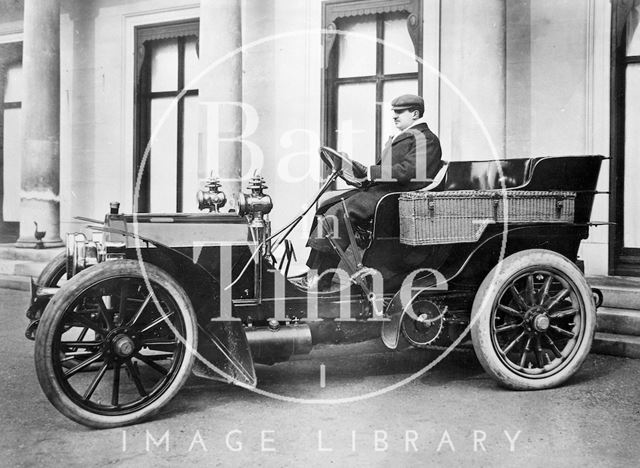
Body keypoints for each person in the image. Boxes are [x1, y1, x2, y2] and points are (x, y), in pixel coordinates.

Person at [303, 94, 443, 289]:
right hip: (383, 192)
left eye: (400, 112)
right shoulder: (408, 136)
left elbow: (409, 172)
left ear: (415, 113)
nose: (395, 116)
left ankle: (322, 278)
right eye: (394, 112)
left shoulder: (426, 139)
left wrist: (370, 172)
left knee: (338, 213)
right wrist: (363, 176)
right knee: (326, 204)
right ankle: (314, 271)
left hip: (396, 198)